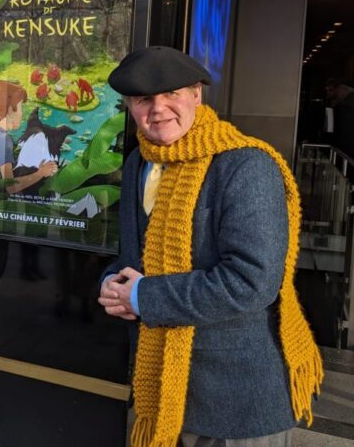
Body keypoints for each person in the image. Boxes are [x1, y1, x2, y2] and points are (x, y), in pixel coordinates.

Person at [98, 46, 323, 447]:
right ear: (130, 106)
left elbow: (251, 282)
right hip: (163, 389)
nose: (159, 108)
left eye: (172, 94)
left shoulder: (245, 165)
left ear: (197, 95)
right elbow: (135, 257)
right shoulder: (139, 162)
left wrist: (143, 296)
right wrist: (114, 284)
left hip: (237, 404)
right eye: (143, 99)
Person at [0, 80, 57, 194]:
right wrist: (41, 173)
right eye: (20, 108)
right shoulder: (3, 139)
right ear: (10, 109)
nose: (22, 113)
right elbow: (11, 187)